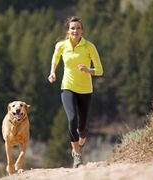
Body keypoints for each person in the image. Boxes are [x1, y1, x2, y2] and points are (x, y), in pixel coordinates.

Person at [48, 16, 103, 168]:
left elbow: (100, 70)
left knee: (83, 128)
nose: (75, 31)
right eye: (72, 28)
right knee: (72, 118)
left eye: (78, 28)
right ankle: (77, 155)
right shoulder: (61, 45)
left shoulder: (89, 46)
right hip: (68, 87)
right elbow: (55, 58)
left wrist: (87, 70)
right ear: (68, 30)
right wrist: (52, 72)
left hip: (85, 90)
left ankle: (82, 136)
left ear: (82, 30)